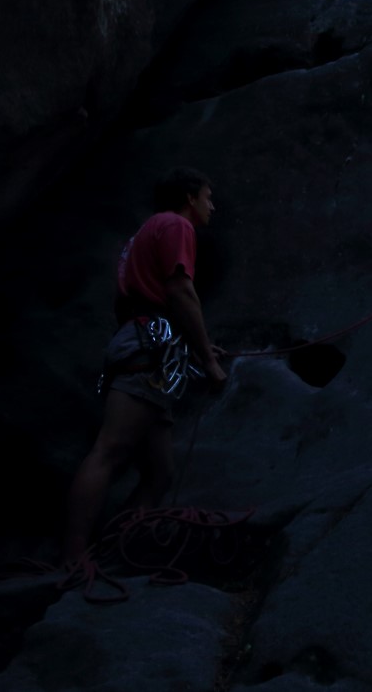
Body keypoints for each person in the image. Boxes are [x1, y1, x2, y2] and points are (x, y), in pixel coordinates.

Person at [61, 167, 228, 564]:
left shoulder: (148, 231)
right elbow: (179, 290)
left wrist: (201, 344)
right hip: (145, 350)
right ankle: (73, 558)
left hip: (146, 346)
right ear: (189, 197)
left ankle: (113, 550)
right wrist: (206, 360)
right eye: (207, 197)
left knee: (160, 474)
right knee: (110, 449)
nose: (212, 205)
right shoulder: (175, 225)